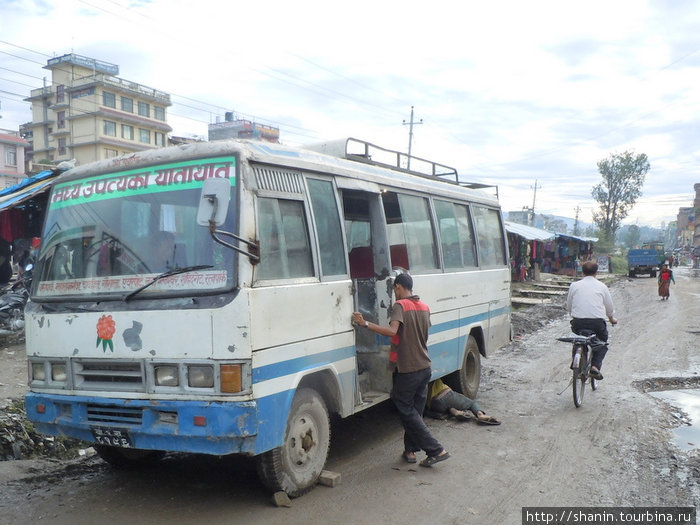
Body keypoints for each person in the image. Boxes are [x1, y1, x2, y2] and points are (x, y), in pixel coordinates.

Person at [352, 272, 450, 468]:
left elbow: (392, 332)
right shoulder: (424, 307)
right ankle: (410, 450)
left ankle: (436, 449)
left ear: (398, 287)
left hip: (408, 368)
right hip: (424, 367)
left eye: (394, 289)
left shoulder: (400, 306)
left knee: (405, 408)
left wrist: (365, 324)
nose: (394, 294)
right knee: (414, 412)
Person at [566, 260, 618, 380]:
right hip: (597, 323)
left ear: (582, 272)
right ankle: (595, 366)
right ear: (596, 272)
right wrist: (611, 318)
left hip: (578, 322)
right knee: (602, 343)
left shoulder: (574, 285)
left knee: (577, 339)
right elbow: (609, 307)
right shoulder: (601, 286)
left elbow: (569, 306)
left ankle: (576, 362)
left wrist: (574, 314)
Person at [426, 378, 500, 425]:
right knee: (471, 403)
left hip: (434, 404)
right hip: (445, 394)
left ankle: (451, 412)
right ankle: (480, 415)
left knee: (426, 412)